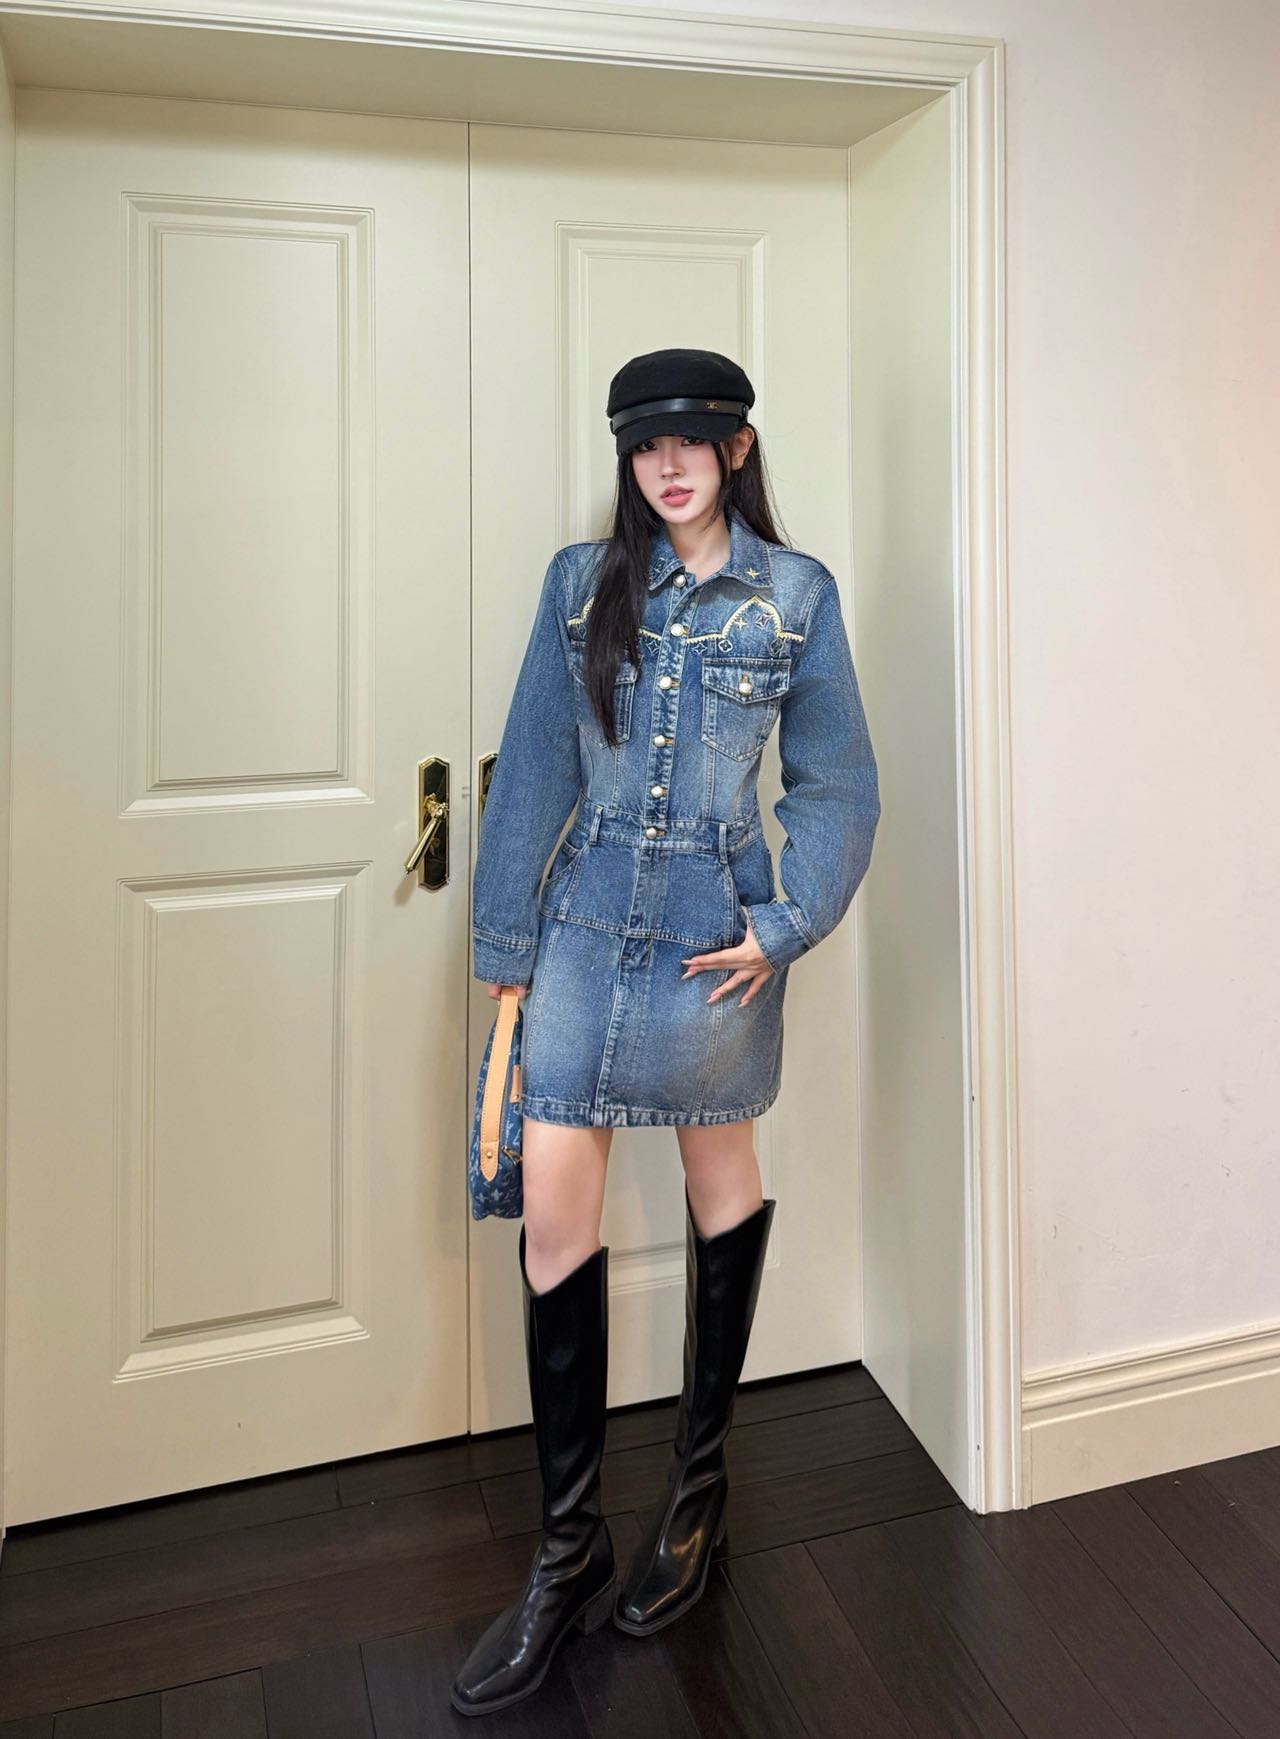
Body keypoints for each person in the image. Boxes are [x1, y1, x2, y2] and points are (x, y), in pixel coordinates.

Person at [450, 347, 881, 1717]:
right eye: (646, 445)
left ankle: (696, 1498)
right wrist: (506, 957)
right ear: (627, 456)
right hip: (584, 920)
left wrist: (786, 922)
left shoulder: (794, 596)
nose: (669, 465)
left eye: (693, 440)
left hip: (712, 933)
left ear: (737, 447)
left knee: (718, 1184)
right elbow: (533, 767)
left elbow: (838, 780)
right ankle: (565, 1548)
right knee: (553, 1213)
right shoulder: (581, 586)